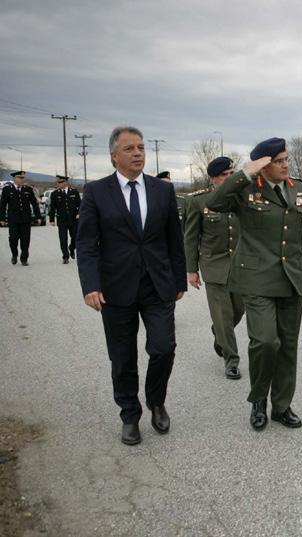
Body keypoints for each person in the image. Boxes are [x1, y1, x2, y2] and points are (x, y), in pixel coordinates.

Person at [76, 126, 187, 446]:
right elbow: (86, 245)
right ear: (114, 156)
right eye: (129, 149)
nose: (138, 153)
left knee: (163, 347)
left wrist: (179, 278)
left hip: (157, 285)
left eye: (140, 147)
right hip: (115, 287)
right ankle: (129, 414)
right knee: (123, 356)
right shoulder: (96, 192)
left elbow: (173, 240)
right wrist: (90, 285)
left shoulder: (162, 191)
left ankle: (156, 401)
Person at [205, 137, 302, 431]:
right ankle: (259, 400)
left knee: (287, 347)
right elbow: (214, 202)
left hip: (291, 278)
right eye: (279, 161)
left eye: (286, 159)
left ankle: (281, 406)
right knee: (266, 341)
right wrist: (246, 173)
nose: (285, 165)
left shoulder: (301, 190)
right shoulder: (245, 190)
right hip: (256, 279)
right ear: (264, 165)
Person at [183, 156, 244, 379]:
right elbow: (190, 238)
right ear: (213, 179)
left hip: (240, 264)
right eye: (224, 176)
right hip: (213, 264)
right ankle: (232, 360)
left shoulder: (242, 197)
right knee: (223, 314)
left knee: (238, 310)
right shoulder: (199, 201)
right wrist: (191, 270)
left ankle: (218, 332)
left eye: (231, 174)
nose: (229, 179)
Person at [0, 170, 42, 266]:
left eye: (23, 178)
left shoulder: (28, 189)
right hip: (13, 220)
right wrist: (1, 218)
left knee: (25, 239)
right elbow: (2, 205)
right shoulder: (7, 189)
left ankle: (24, 258)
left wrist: (38, 216)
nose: (22, 179)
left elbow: (34, 204)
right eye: (20, 178)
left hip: (26, 219)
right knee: (13, 238)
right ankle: (14, 254)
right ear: (14, 178)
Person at [48, 175, 81, 264]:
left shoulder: (74, 192)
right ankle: (65, 256)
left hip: (73, 219)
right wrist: (51, 219)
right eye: (58, 182)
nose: (58, 184)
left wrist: (79, 213)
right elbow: (52, 208)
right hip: (61, 220)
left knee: (75, 237)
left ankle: (71, 248)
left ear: (66, 182)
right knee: (63, 239)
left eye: (60, 182)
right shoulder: (55, 194)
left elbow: (80, 204)